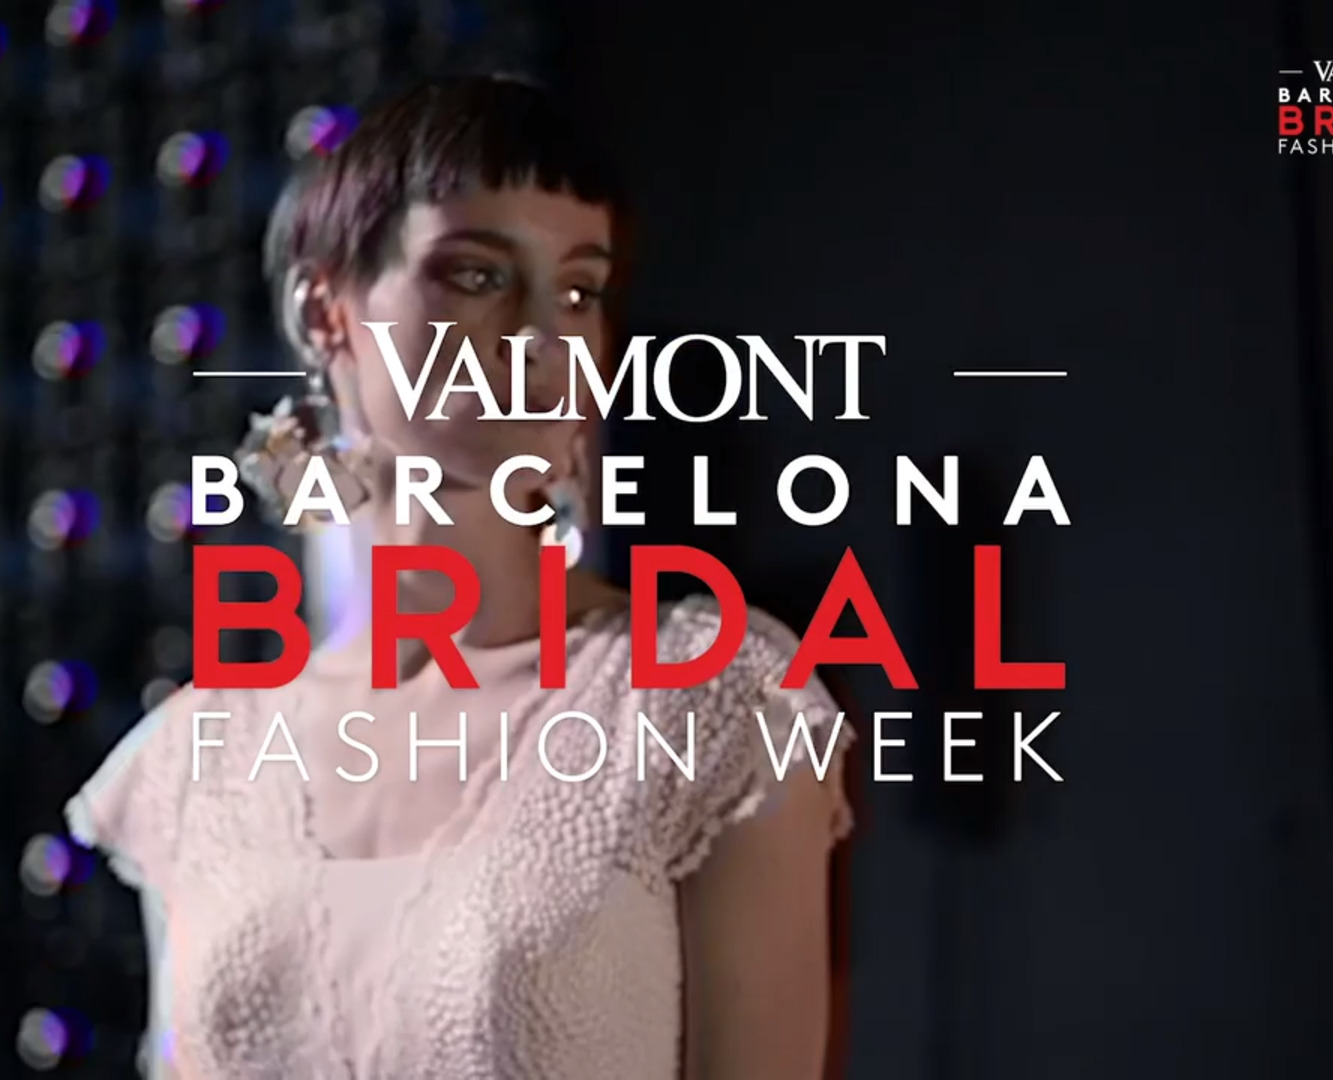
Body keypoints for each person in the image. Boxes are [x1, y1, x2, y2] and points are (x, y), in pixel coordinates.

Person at [67, 74, 855, 1080]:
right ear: (325, 310)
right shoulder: (199, 755)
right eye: (476, 274)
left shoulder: (714, 701)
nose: (542, 337)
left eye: (579, 290)